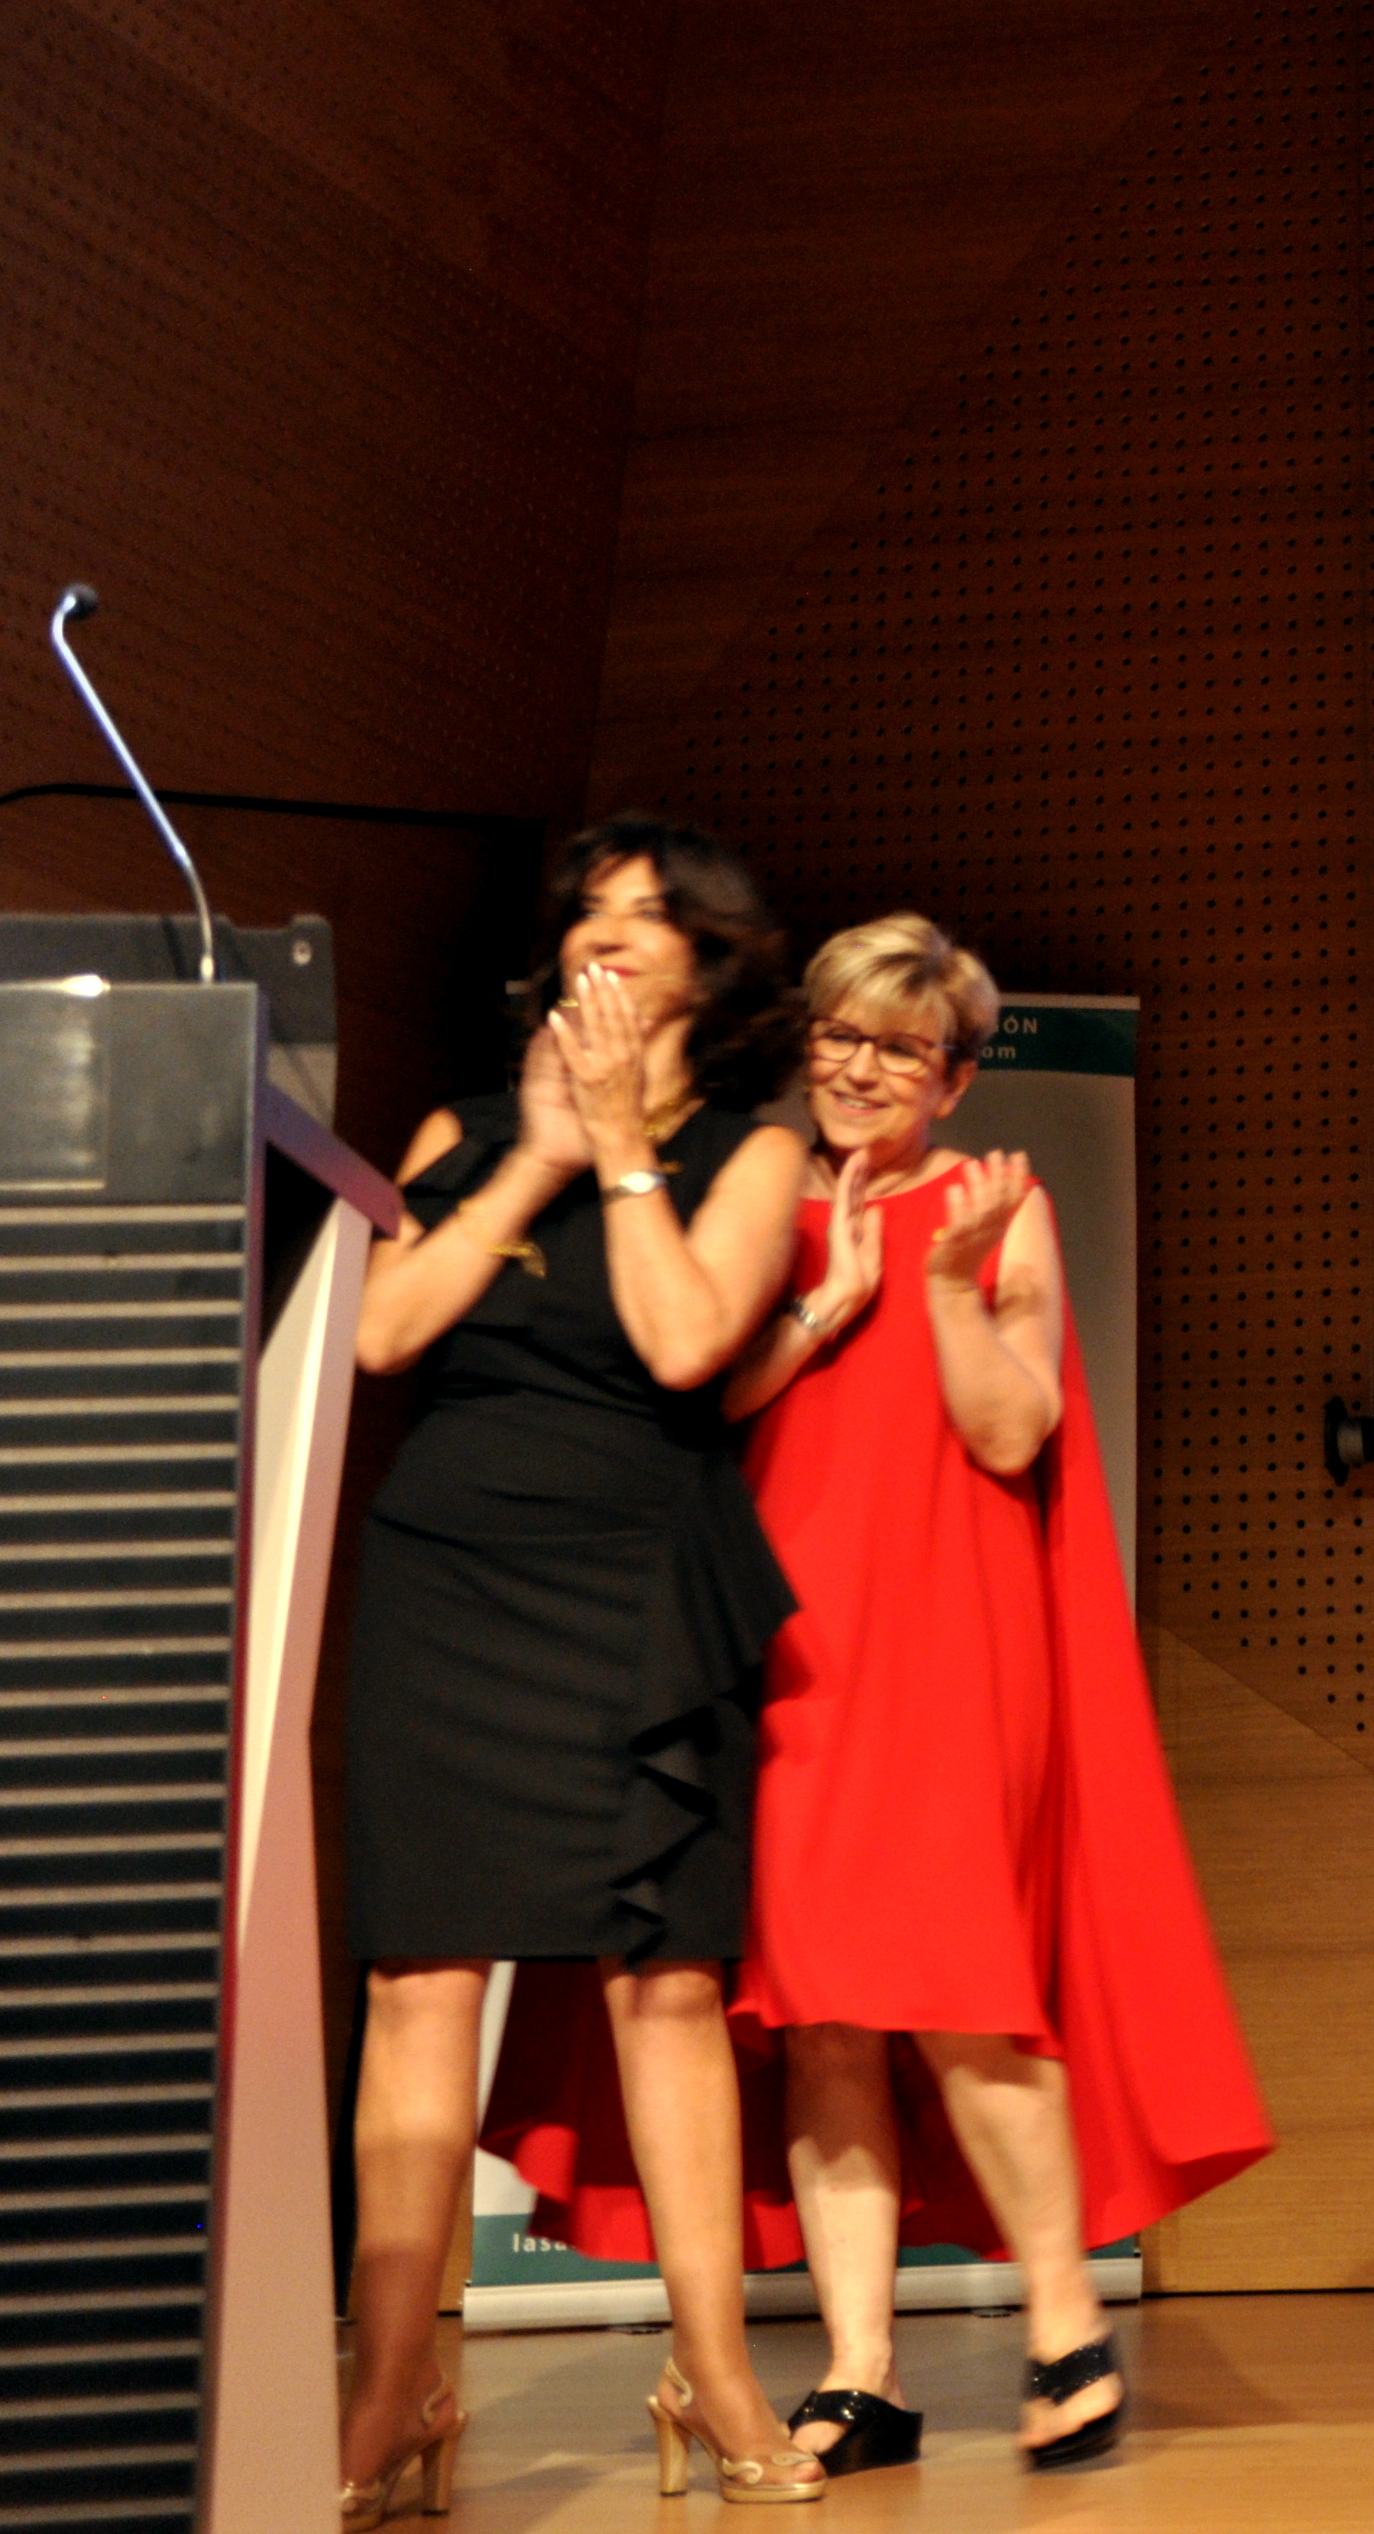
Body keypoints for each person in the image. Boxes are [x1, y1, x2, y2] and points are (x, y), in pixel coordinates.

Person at [484, 915, 1270, 2474]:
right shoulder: (754, 1193)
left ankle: (1065, 2329)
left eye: (899, 1048)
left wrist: (948, 1292)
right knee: (824, 2014)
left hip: (947, 1654)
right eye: (842, 1034)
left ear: (955, 1078)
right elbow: (697, 1398)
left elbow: (1009, 1432)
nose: (858, 1067)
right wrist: (824, 1303)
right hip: (783, 1656)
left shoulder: (1000, 1207)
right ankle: (859, 2373)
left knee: (966, 1995)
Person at [332, 819, 822, 2516]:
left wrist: (619, 1146)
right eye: (588, 911)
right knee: (418, 1983)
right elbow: (382, 1334)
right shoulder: (461, 1130)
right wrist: (536, 1159)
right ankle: (391, 2390)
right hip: (449, 1578)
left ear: (712, 963)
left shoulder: (757, 1148)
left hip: (637, 1587)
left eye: (648, 914)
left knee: (664, 1985)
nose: (606, 933)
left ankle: (718, 2373)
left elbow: (687, 1341)